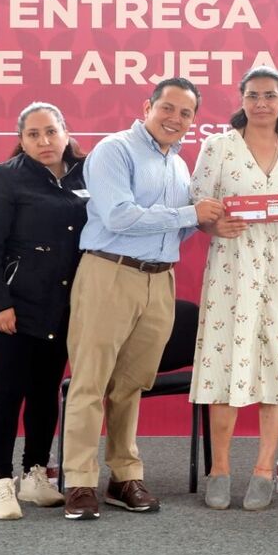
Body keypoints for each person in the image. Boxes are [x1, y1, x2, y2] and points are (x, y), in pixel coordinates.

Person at [61, 78, 221, 521]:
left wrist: (209, 223)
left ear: (193, 120)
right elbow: (118, 215)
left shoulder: (178, 164)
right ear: (147, 106)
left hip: (159, 280)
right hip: (109, 272)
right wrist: (192, 214)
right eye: (167, 108)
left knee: (131, 384)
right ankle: (78, 481)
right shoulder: (115, 150)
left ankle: (123, 476)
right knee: (90, 382)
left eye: (185, 113)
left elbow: (174, 227)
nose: (175, 119)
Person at [190, 65, 278, 511]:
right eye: (252, 96)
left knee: (276, 367)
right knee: (226, 363)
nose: (261, 103)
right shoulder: (218, 146)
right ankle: (220, 468)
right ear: (241, 100)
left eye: (269, 95)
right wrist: (213, 221)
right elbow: (198, 204)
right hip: (233, 265)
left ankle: (264, 469)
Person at [0, 102, 87, 520]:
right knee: (6, 395)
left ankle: (35, 474)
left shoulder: (86, 173)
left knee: (44, 394)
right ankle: (1, 483)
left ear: (66, 131)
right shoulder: (4, 178)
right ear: (20, 140)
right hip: (12, 309)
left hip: (62, 307)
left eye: (51, 131)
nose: (44, 141)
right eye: (33, 134)